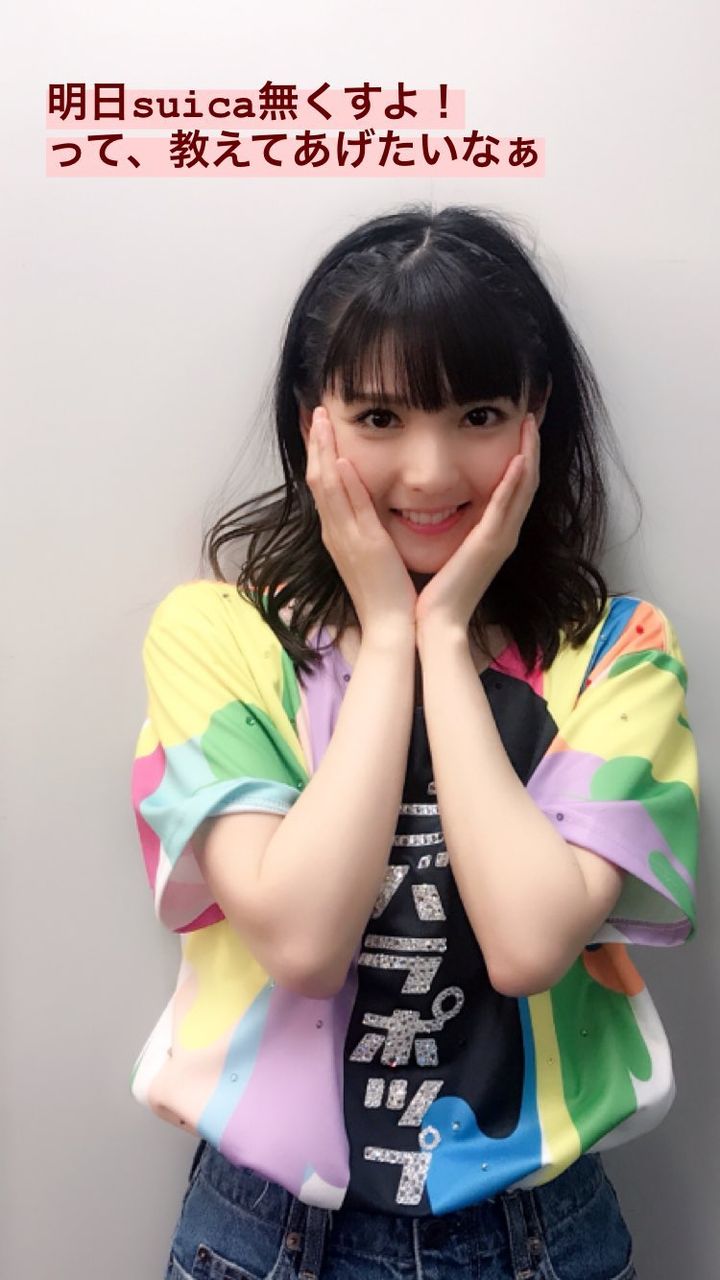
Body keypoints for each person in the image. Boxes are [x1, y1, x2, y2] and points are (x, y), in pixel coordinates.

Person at [130, 204, 699, 1280]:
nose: (431, 473)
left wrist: (441, 635)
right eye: (381, 416)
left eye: (478, 413)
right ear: (315, 422)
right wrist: (389, 634)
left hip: (541, 1235)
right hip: (266, 1236)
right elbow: (303, 943)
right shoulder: (218, 638)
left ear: (537, 415)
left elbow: (529, 944)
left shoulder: (618, 654)